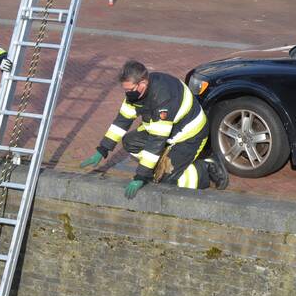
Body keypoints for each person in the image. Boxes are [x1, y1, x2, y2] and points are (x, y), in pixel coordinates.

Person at [80, 60, 229, 199]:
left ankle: (207, 168)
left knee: (166, 182)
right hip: (168, 132)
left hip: (190, 135)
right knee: (130, 142)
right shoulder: (136, 94)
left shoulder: (162, 96)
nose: (128, 94)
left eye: (130, 90)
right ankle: (159, 165)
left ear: (143, 83)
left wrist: (140, 175)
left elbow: (157, 140)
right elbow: (122, 120)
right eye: (125, 90)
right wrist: (102, 149)